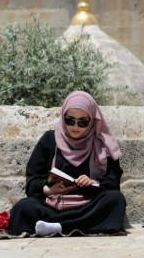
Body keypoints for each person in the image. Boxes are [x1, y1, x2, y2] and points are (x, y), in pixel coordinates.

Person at [8, 91, 127, 236]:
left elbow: (113, 183)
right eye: (70, 120)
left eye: (83, 122)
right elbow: (32, 180)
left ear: (92, 121)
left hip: (88, 205)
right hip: (53, 205)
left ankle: (56, 226)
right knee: (23, 207)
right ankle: (76, 225)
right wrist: (48, 190)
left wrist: (93, 183)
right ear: (63, 117)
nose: (75, 127)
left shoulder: (102, 145)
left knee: (116, 200)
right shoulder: (49, 139)